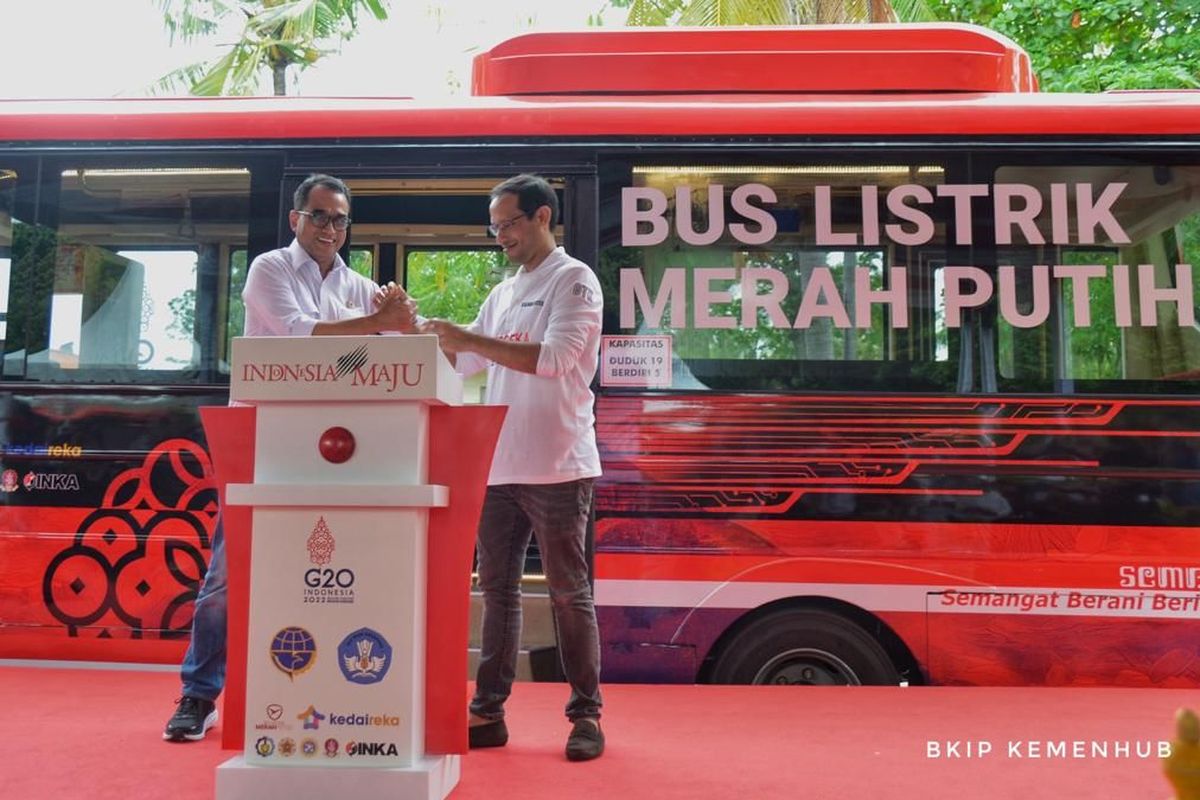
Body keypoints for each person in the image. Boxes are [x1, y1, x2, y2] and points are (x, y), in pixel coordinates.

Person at [163, 173, 416, 742]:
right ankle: (198, 695)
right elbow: (300, 335)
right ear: (295, 219)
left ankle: (327, 696)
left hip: (335, 443)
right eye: (320, 216)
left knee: (328, 569)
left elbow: (366, 355)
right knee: (229, 573)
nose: (331, 228)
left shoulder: (357, 286)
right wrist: (378, 324)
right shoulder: (270, 268)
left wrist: (398, 318)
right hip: (262, 436)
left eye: (341, 219)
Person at [419, 174, 605, 762]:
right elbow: (470, 361)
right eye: (493, 226)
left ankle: (586, 717)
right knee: (497, 593)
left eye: (508, 224)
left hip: (559, 463)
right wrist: (422, 333)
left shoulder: (575, 280)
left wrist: (469, 337)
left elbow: (553, 360)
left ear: (542, 217)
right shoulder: (502, 293)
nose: (500, 236)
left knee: (569, 594)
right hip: (499, 464)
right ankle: (488, 712)